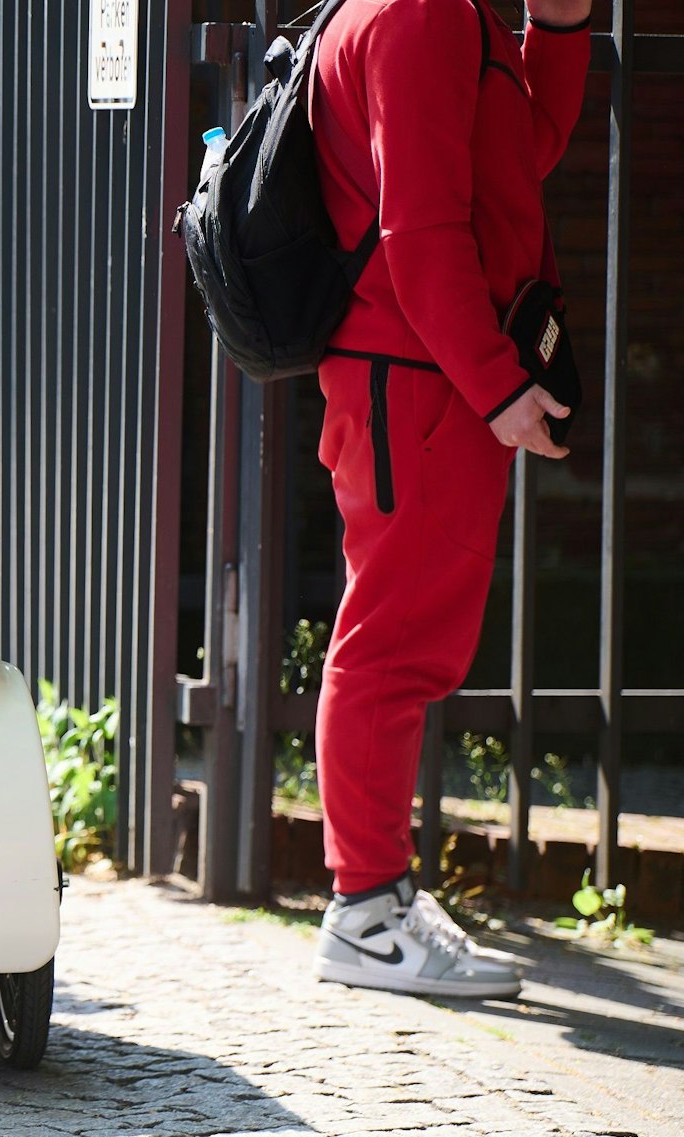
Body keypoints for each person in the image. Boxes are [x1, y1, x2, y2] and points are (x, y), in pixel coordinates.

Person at [308, 0, 591, 998]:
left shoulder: (439, 12)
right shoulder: (422, 14)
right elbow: (418, 227)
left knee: (399, 640)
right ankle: (364, 913)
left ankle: (374, 899)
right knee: (388, 647)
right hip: (417, 379)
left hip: (415, 375)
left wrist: (554, 29)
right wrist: (496, 385)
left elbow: (516, 158)